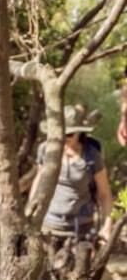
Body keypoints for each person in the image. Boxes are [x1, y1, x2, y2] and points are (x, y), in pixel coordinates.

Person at [31, 104, 113, 242]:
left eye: (69, 134)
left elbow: (104, 194)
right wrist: (31, 215)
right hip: (49, 224)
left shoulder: (91, 155)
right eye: (61, 132)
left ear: (79, 132)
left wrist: (107, 226)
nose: (65, 137)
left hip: (81, 227)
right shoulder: (46, 150)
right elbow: (38, 183)